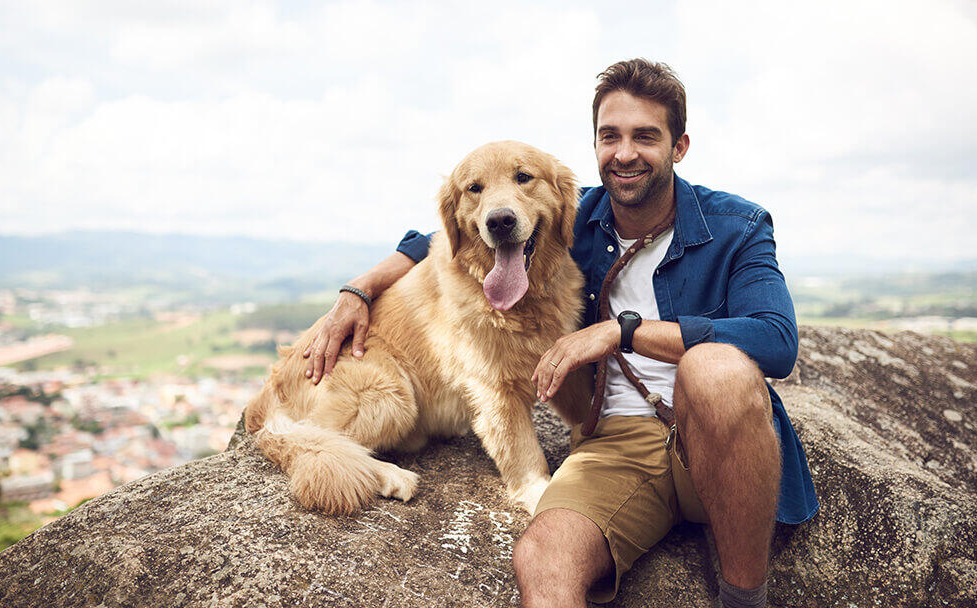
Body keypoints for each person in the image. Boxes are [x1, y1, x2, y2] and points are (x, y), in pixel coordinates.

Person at [301, 59, 818, 608]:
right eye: (609, 136)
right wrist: (358, 290)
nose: (624, 153)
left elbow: (775, 341)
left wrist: (622, 334)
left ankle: (744, 599)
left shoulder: (738, 226)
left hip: (712, 433)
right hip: (617, 445)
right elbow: (446, 231)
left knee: (715, 367)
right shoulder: (576, 215)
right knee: (543, 558)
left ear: (679, 146)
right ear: (596, 145)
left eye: (645, 136)